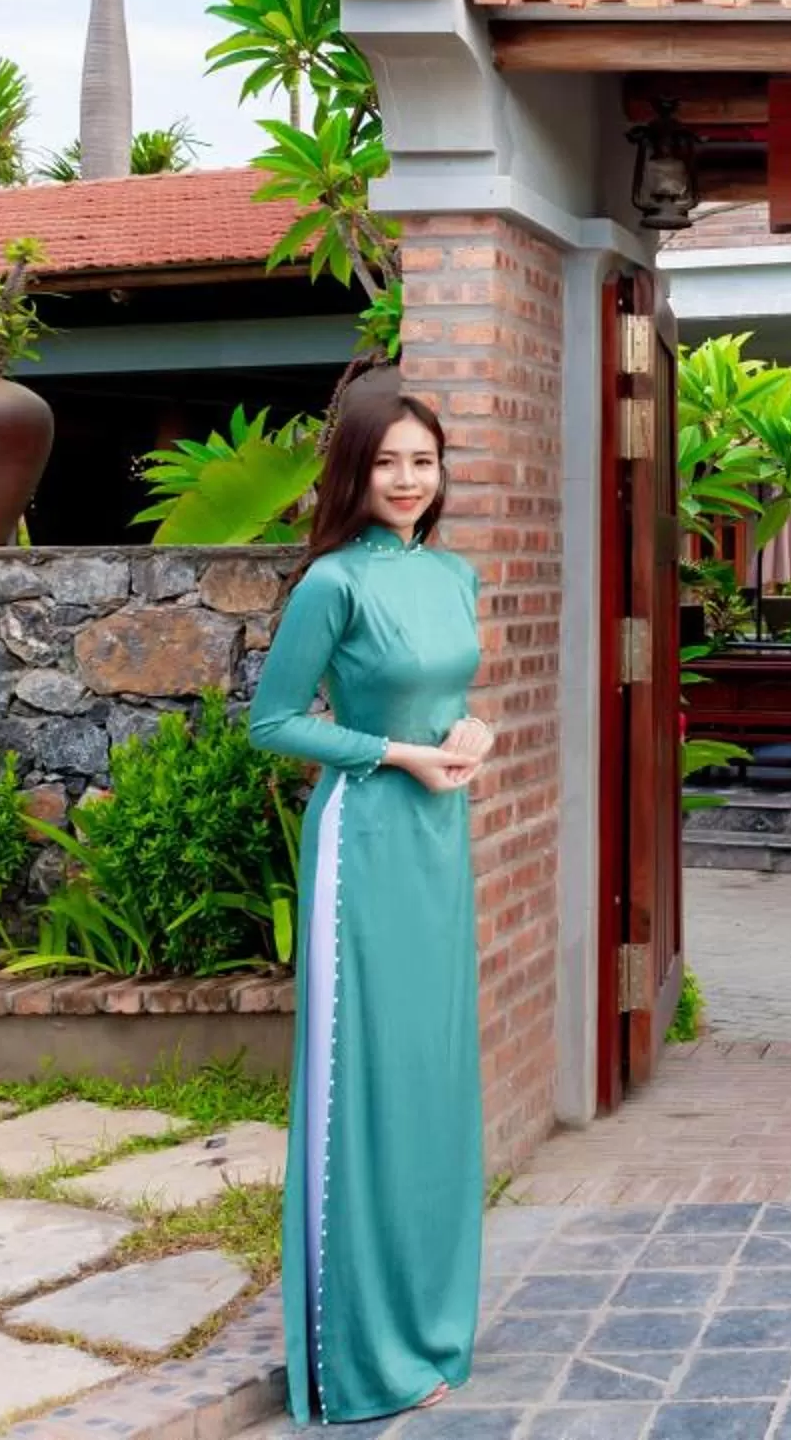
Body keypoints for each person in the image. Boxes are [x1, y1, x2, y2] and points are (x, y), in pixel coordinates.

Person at [249, 371, 495, 1426]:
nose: (407, 478)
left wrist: (468, 734)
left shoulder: (455, 576)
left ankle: (431, 1320)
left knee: (433, 1077)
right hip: (365, 838)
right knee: (371, 1078)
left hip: (441, 838)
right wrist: (396, 751)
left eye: (424, 461)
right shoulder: (331, 585)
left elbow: (448, 695)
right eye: (388, 460)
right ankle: (360, 1349)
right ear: (355, 469)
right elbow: (271, 722)